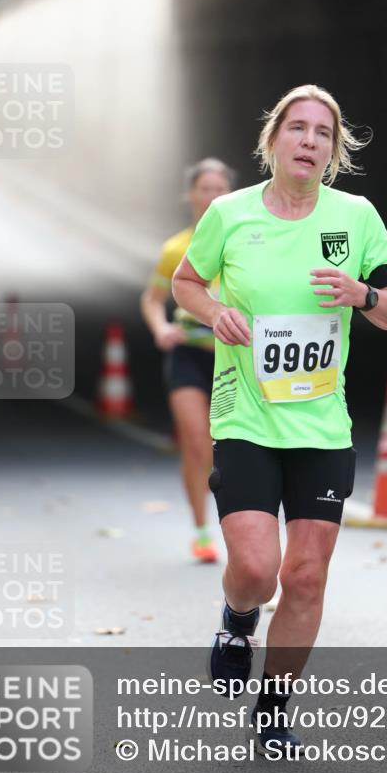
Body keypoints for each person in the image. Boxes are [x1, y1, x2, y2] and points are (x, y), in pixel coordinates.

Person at [172, 85, 387, 756]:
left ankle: (274, 708)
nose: (308, 141)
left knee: (305, 575)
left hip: (321, 426)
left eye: (322, 133)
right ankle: (236, 617)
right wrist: (211, 310)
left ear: (332, 151)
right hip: (246, 415)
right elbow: (185, 283)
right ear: (273, 140)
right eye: (297, 128)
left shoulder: (355, 217)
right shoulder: (229, 213)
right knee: (255, 567)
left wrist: (362, 293)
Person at [141, 158, 236, 563]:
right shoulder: (176, 248)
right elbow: (152, 300)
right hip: (187, 355)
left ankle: (238, 529)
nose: (212, 196)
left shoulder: (246, 241)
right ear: (190, 195)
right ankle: (201, 530)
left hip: (232, 358)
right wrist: (161, 329)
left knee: (232, 447)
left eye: (220, 189)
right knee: (198, 443)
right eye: (205, 188)